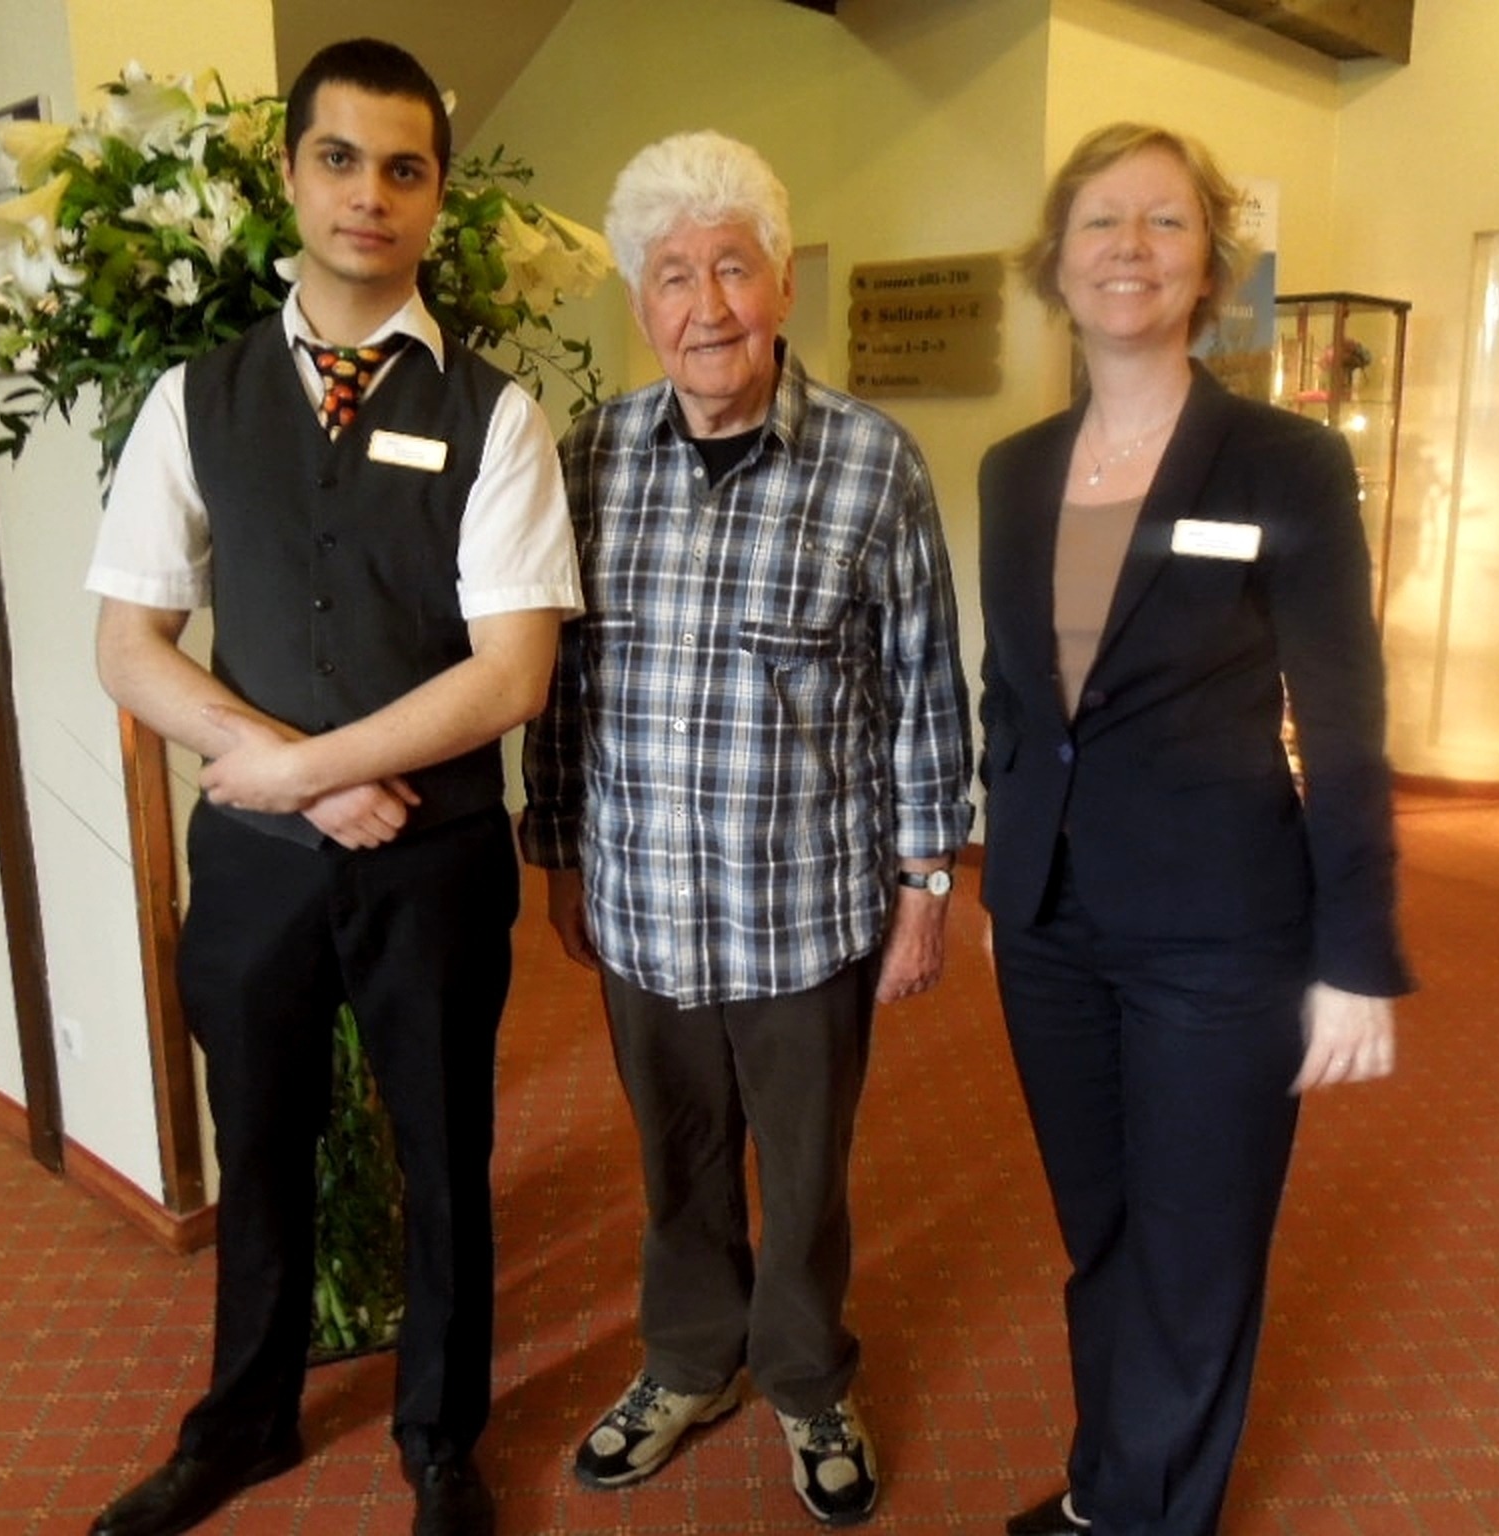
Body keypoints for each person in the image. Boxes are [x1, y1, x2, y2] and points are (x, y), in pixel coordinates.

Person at [82, 38, 580, 1536]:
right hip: (258, 867)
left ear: (436, 197)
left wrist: (303, 768)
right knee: (265, 1137)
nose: (371, 194)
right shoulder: (195, 397)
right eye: (342, 160)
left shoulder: (499, 415)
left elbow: (510, 678)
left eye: (406, 168)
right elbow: (126, 640)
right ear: (293, 176)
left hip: (434, 859)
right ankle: (244, 1421)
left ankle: (441, 1438)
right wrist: (292, 791)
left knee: (444, 1150)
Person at [519, 130, 974, 1528]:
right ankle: (687, 1362)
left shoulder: (870, 463)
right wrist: (557, 851)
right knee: (677, 1160)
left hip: (809, 913)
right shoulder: (589, 458)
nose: (705, 306)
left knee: (811, 1171)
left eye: (732, 267)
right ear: (640, 303)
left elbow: (922, 688)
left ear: (782, 283)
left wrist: (926, 886)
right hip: (646, 898)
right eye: (673, 276)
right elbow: (560, 677)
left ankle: (806, 1375)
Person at [977, 123, 1413, 1536]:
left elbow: (1346, 717)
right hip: (1050, 930)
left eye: (1165, 224)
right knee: (1103, 1229)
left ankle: (1149, 1514)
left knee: (1198, 1243)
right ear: (1056, 260)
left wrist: (1355, 955)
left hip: (1221, 932)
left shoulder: (1283, 460)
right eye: (1102, 221)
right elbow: (1011, 699)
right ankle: (1121, 1486)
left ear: (1211, 265)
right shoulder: (1014, 468)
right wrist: (1004, 886)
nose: (1129, 248)